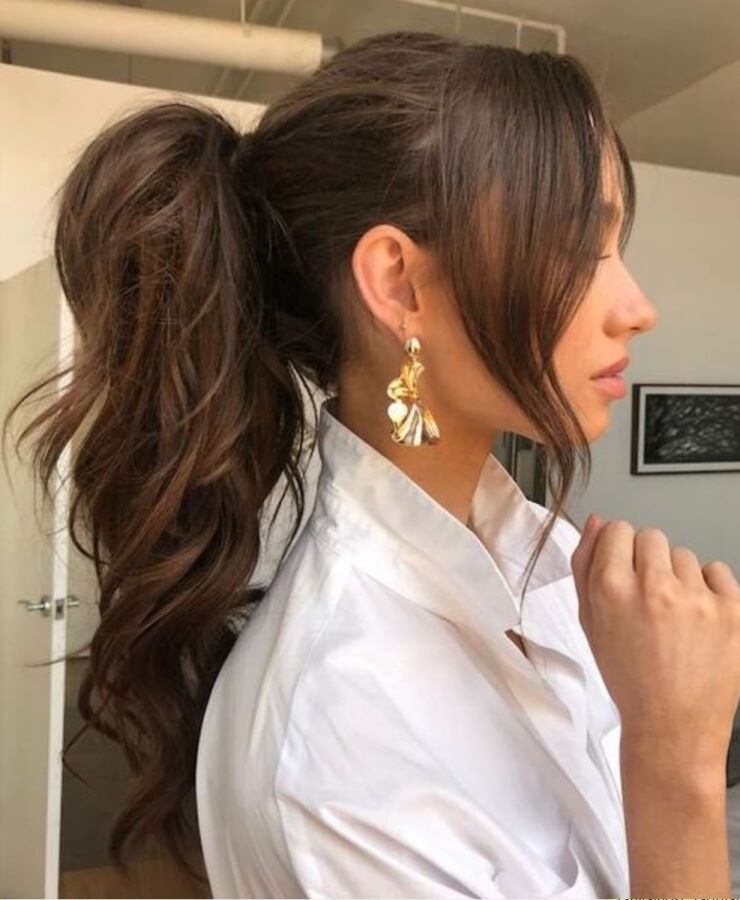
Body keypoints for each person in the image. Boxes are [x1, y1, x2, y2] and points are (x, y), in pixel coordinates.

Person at [4, 28, 739, 900]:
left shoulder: (545, 552)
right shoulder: (340, 734)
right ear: (399, 284)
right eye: (582, 246)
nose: (638, 308)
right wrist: (676, 763)